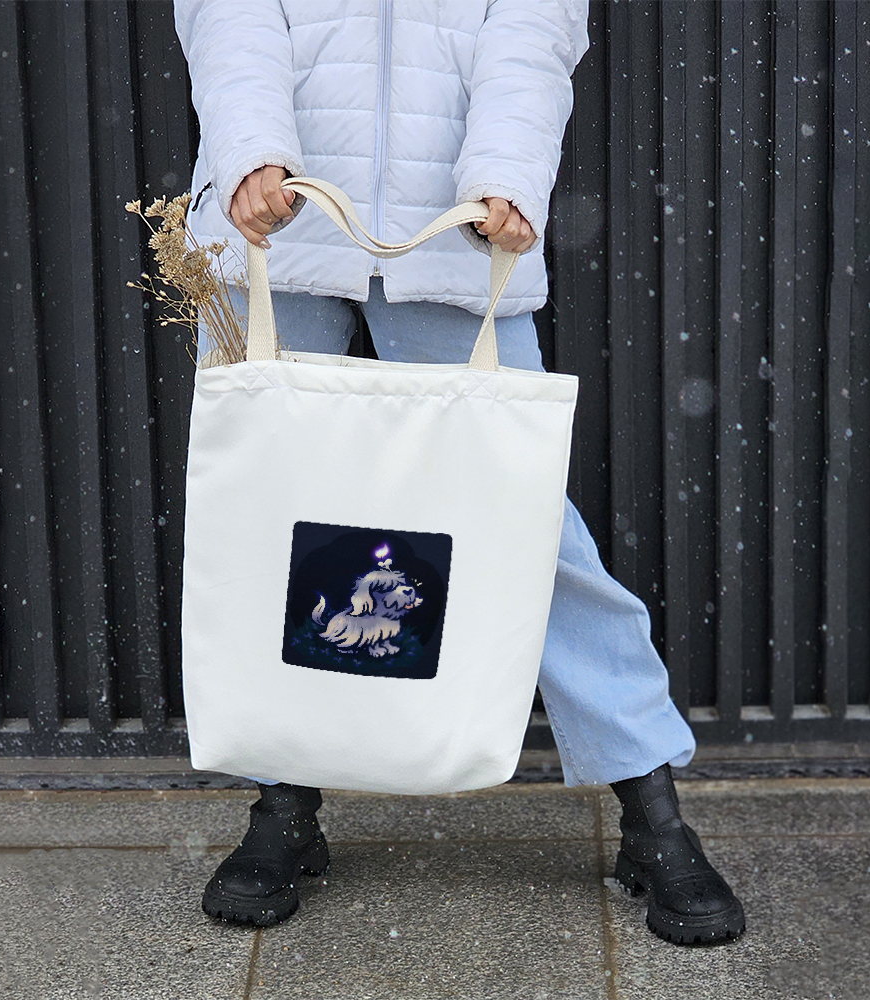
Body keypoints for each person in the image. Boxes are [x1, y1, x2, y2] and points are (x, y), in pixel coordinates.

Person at [174, 0, 745, 946]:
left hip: (455, 233)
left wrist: (507, 174)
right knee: (272, 529)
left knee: (528, 530)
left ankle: (652, 812)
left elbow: (532, 27)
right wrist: (250, 153)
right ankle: (282, 802)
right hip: (275, 228)